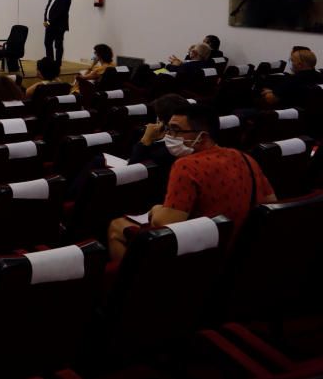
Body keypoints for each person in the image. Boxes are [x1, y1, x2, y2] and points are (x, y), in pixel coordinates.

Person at [107, 104, 275, 262]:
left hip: (202, 254)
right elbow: (271, 202)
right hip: (242, 249)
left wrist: (155, 211)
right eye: (169, 129)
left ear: (202, 136)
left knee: (116, 227)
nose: (169, 136)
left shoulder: (186, 166)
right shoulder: (246, 157)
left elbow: (166, 224)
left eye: (176, 130)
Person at [128, 93, 188, 169]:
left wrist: (145, 141)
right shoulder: (191, 141)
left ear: (161, 121)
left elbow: (132, 170)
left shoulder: (163, 152)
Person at [43, 0, 71, 64]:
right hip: (49, 25)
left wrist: (49, 21)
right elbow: (48, 9)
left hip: (59, 26)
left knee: (58, 45)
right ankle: (50, 62)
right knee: (47, 43)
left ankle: (57, 64)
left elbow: (61, 12)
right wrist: (45, 20)